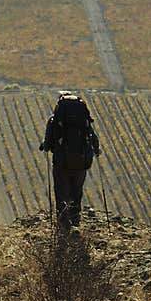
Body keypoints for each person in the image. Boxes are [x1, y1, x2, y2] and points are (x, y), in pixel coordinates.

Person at [39, 92, 101, 231]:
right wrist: (97, 151)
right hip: (81, 164)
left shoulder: (54, 120)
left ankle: (63, 225)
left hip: (61, 164)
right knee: (76, 192)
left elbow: (48, 144)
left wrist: (45, 145)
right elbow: (93, 138)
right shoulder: (83, 120)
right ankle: (75, 222)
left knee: (62, 193)